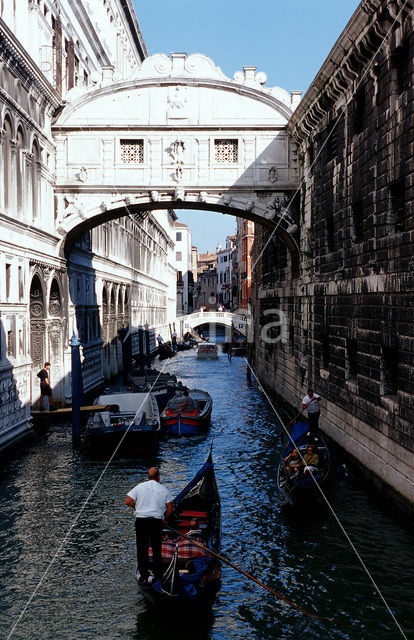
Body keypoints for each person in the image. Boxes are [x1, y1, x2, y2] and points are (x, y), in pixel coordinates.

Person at [125, 467, 173, 586]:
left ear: (148, 477)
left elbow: (128, 501)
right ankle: (158, 574)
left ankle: (144, 576)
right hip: (156, 522)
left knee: (142, 549)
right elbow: (170, 508)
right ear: (158, 478)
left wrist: (136, 507)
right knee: (156, 549)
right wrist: (165, 520)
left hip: (141, 521)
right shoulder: (164, 489)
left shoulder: (140, 487)